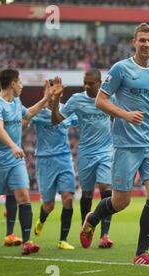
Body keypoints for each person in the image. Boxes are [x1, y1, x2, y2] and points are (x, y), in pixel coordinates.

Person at [79, 23, 149, 265]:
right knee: (121, 202)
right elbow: (100, 101)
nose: (147, 44)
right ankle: (93, 218)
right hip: (126, 144)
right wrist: (124, 115)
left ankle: (141, 253)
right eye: (143, 40)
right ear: (134, 42)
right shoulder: (120, 69)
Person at [51, 70, 115, 248]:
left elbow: (115, 118)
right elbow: (56, 120)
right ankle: (86, 228)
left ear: (100, 83)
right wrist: (56, 98)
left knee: (105, 188)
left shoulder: (109, 98)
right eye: (85, 82)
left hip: (105, 151)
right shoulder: (76, 100)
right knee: (87, 193)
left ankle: (105, 235)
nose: (87, 86)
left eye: (91, 83)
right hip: (86, 152)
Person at [0, 68, 53, 254]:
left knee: (24, 196)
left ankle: (27, 242)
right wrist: (13, 146)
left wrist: (46, 99)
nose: (21, 85)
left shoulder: (16, 102)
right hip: (2, 158)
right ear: (12, 83)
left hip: (15, 160)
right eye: (20, 82)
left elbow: (28, 114)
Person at [23, 78, 77, 250]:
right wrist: (47, 99)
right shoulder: (38, 113)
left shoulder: (68, 112)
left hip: (64, 158)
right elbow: (24, 122)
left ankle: (63, 240)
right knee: (49, 205)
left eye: (56, 92)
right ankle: (42, 220)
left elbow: (71, 119)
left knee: (68, 198)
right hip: (45, 161)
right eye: (50, 92)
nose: (54, 95)